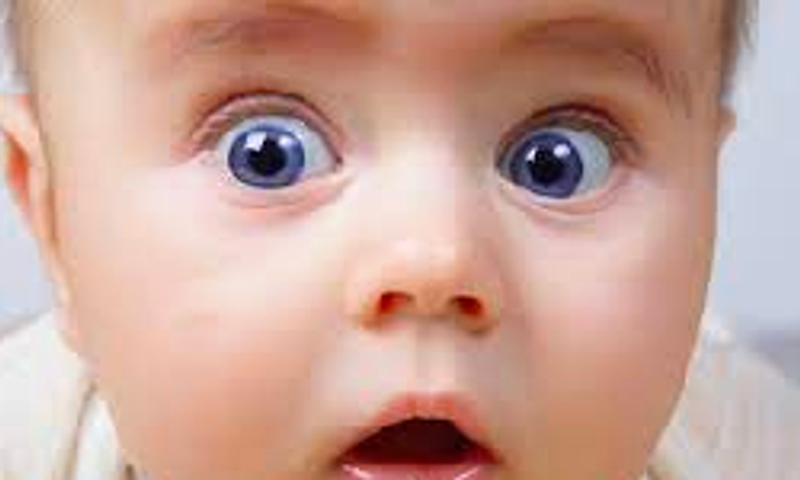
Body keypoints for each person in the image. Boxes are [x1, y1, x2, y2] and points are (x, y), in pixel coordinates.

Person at [1, 1, 798, 479]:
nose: (435, 259)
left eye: (557, 163)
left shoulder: (757, 449)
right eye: (267, 154)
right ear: (55, 219)